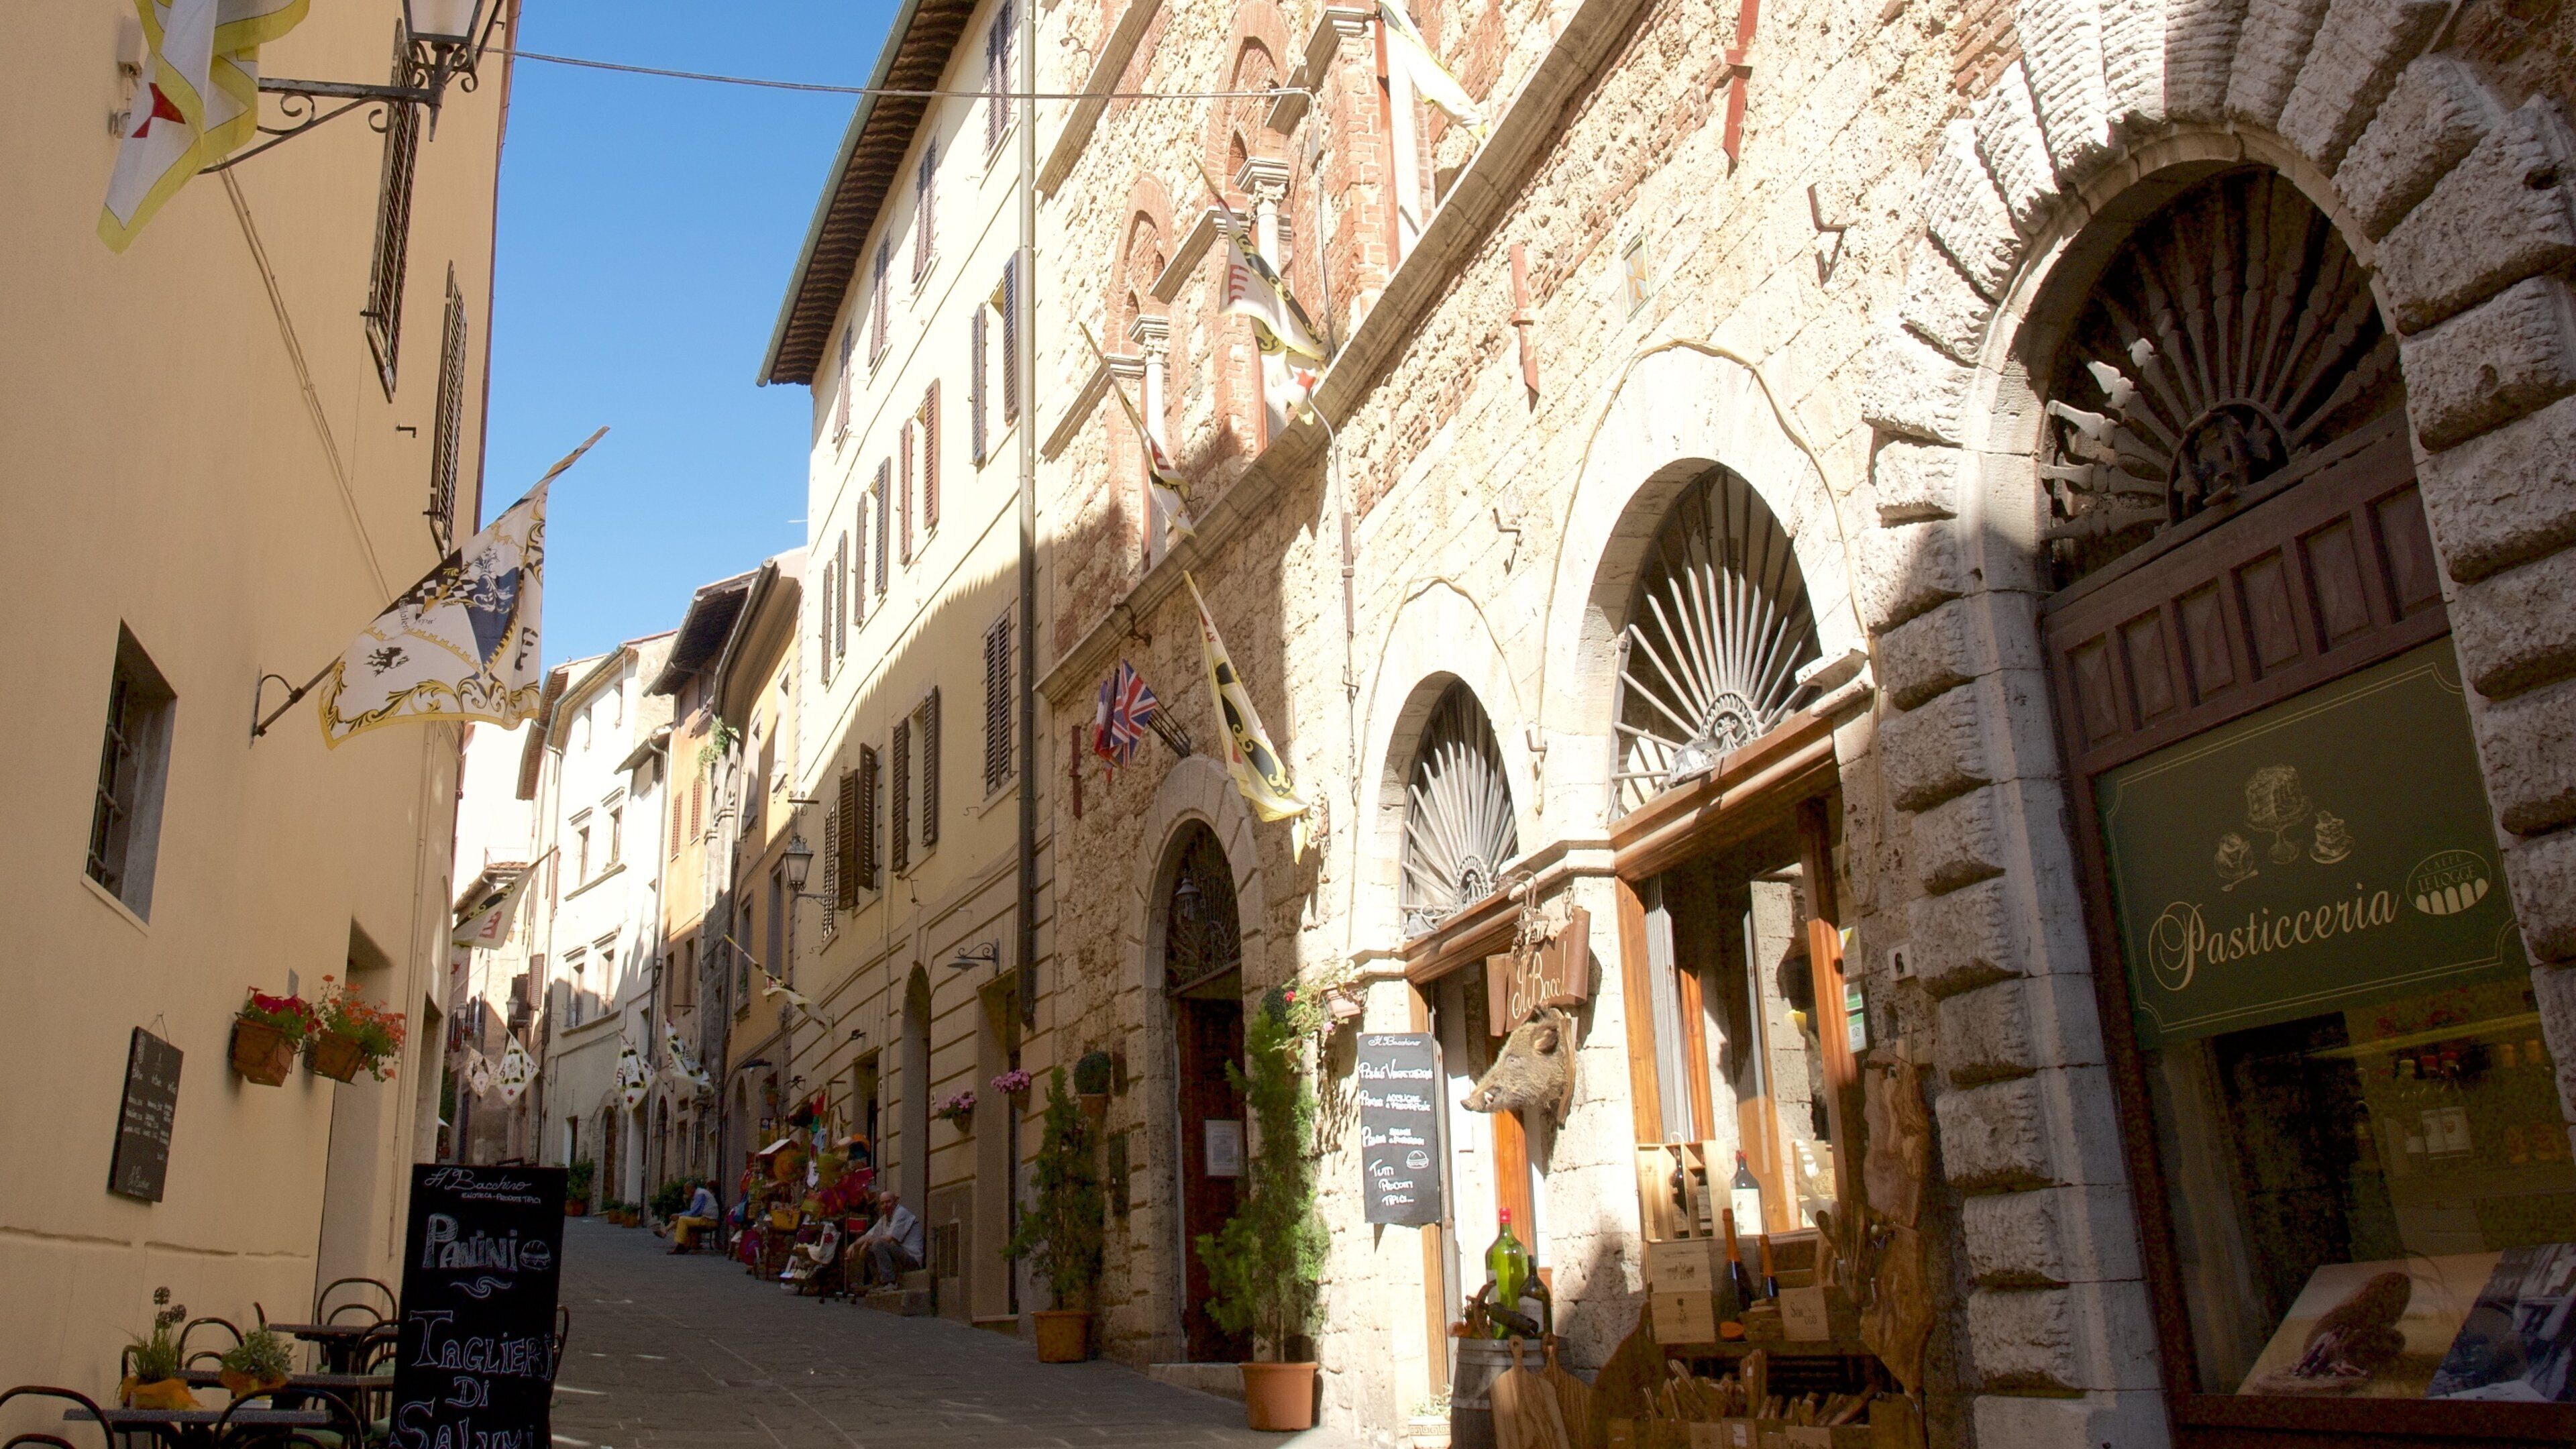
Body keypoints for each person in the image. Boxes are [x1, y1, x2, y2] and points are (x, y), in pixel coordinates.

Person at [851, 1189, 923, 1288]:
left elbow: (890, 1238)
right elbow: (869, 1235)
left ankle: (890, 1282)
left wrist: (867, 1243)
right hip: (898, 1258)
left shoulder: (901, 1213)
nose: (885, 1206)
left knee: (878, 1244)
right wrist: (854, 1246)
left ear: (895, 1201)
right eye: (882, 1203)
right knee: (870, 1249)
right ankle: (879, 1282)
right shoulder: (885, 1219)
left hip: (912, 1260)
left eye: (888, 1202)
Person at [667, 1181, 720, 1254]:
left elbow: (695, 1212)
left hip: (709, 1220)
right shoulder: (698, 1194)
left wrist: (679, 1215)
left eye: (686, 1189)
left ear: (691, 1189)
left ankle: (680, 1246)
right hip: (706, 1218)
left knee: (683, 1220)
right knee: (682, 1219)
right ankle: (683, 1244)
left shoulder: (700, 1194)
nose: (685, 1192)